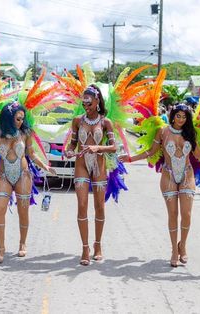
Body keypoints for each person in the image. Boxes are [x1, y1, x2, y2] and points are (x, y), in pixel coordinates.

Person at [120, 104, 200, 267]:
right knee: (173, 214)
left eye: (184, 117)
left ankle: (182, 245)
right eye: (178, 116)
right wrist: (131, 159)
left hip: (187, 176)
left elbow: (199, 155)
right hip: (168, 176)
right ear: (173, 116)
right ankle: (174, 251)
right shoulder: (162, 132)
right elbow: (151, 151)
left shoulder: (191, 133)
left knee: (187, 214)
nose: (181, 119)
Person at [0, 102, 56, 263]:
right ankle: (0, 248)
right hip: (4, 175)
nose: (20, 122)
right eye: (17, 119)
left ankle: (22, 243)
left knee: (23, 211)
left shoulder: (26, 133)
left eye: (21, 119)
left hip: (23, 175)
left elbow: (31, 154)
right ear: (8, 118)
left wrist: (45, 166)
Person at [64, 85, 117, 266]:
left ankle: (98, 245)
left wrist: (98, 147)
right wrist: (69, 151)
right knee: (82, 205)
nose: (85, 104)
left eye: (89, 101)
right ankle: (85, 248)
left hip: (99, 165)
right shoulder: (77, 121)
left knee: (99, 207)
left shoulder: (105, 122)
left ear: (97, 101)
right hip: (81, 165)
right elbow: (72, 144)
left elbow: (114, 147)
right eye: (83, 101)